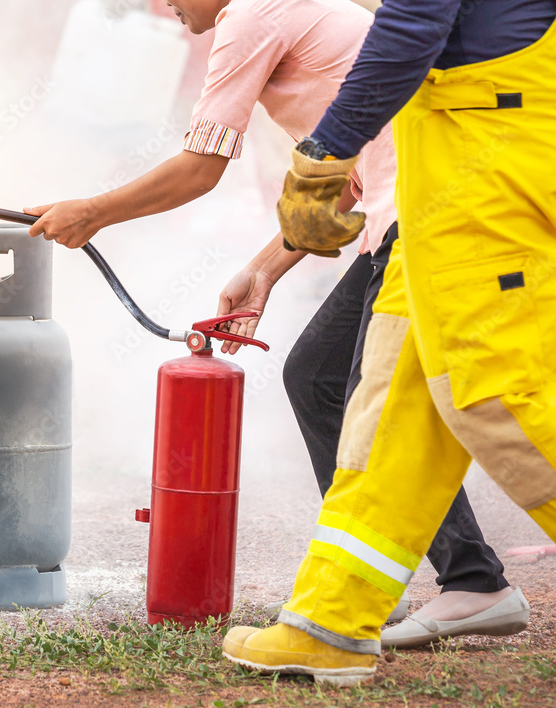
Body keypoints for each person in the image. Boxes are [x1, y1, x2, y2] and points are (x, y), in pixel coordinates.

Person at [28, 0, 525, 647]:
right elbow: (339, 182)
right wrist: (265, 269)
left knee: (428, 397)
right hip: (418, 212)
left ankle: (451, 585)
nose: (162, 5)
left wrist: (90, 212)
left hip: (425, 219)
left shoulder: (248, 17)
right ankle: (457, 582)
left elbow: (200, 169)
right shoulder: (288, 12)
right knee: (336, 379)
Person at [222, 0, 556, 686]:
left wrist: (326, 150)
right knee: (390, 408)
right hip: (446, 161)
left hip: (493, 149)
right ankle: (331, 623)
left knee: (493, 393)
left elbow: (413, 24)